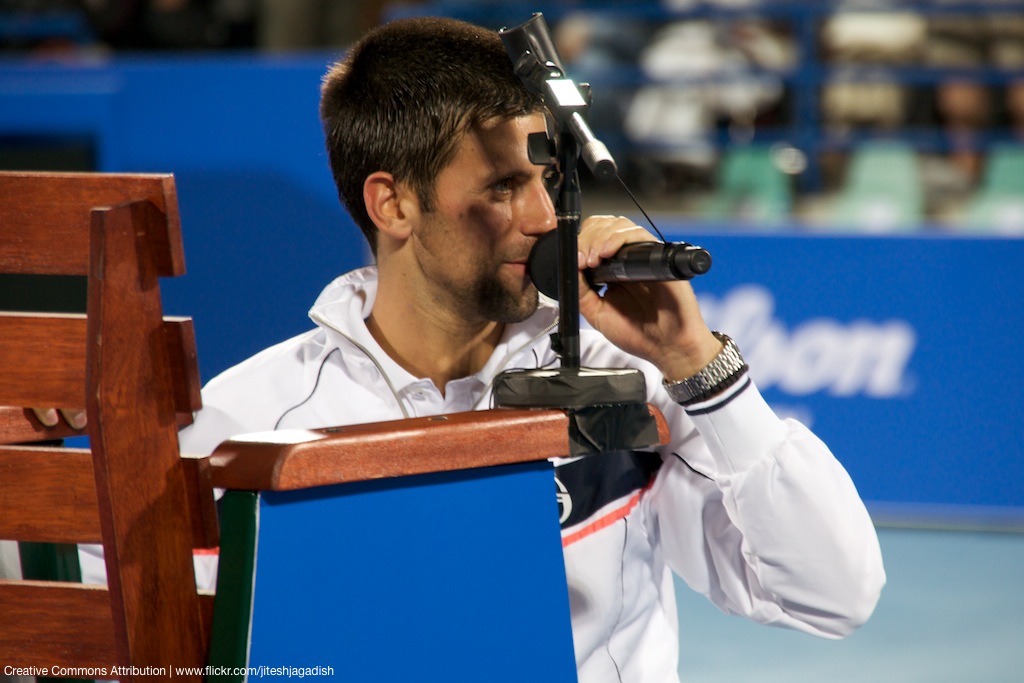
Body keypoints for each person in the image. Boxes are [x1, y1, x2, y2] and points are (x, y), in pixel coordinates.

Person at [174, 16, 882, 683]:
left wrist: (701, 368)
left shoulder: (630, 385)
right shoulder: (242, 425)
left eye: (547, 179)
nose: (546, 217)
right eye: (504, 187)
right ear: (393, 204)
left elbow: (833, 596)